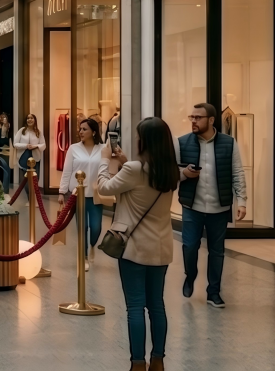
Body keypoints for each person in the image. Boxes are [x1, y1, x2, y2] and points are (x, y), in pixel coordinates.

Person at [100, 117, 178, 371]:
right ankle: (158, 360)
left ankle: (137, 364)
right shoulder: (170, 170)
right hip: (161, 246)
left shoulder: (134, 169)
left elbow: (105, 188)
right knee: (157, 304)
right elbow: (142, 181)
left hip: (133, 248)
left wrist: (105, 161)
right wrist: (124, 164)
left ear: (144, 140)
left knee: (135, 306)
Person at [178, 102, 246, 309]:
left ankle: (213, 292)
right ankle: (190, 275)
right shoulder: (181, 142)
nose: (194, 121)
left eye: (198, 118)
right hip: (192, 207)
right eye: (192, 117)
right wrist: (184, 174)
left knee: (217, 252)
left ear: (211, 120)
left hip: (219, 207)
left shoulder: (229, 143)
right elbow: (171, 171)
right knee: (189, 247)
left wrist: (241, 201)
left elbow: (237, 172)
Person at [59, 117, 107, 266]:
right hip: (77, 194)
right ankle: (83, 257)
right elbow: (67, 171)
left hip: (96, 194)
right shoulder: (73, 148)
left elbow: (112, 166)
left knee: (96, 227)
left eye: (84, 129)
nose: (80, 131)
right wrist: (61, 191)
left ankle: (93, 245)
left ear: (93, 132)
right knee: (82, 226)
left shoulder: (104, 149)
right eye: (80, 129)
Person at [14, 114, 45, 186]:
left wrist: (35, 146)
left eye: (31, 118)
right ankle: (29, 196)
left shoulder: (38, 132)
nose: (29, 120)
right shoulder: (22, 131)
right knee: (26, 181)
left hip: (35, 158)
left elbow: (43, 145)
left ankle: (33, 196)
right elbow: (15, 144)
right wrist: (26, 146)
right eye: (28, 118)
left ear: (35, 120)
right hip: (23, 157)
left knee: (35, 180)